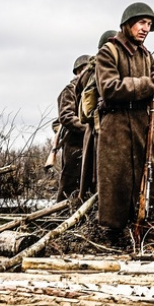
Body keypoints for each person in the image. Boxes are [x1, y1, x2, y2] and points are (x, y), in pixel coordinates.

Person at [94, 3, 154, 243]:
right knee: (116, 181)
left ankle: (148, 228)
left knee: (152, 179)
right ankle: (113, 236)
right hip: (115, 124)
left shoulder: (146, 55)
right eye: (141, 23)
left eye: (149, 25)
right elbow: (108, 89)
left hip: (141, 123)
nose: (145, 29)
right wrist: (148, 84)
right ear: (127, 24)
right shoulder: (109, 51)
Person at [77, 29, 118, 198]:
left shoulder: (92, 70)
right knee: (97, 176)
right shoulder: (95, 70)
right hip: (99, 128)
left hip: (105, 129)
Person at [56, 55, 91, 199]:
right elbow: (66, 116)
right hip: (75, 144)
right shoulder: (70, 90)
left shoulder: (93, 88)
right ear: (79, 71)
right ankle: (60, 216)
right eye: (86, 70)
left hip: (91, 144)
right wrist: (89, 128)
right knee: (69, 185)